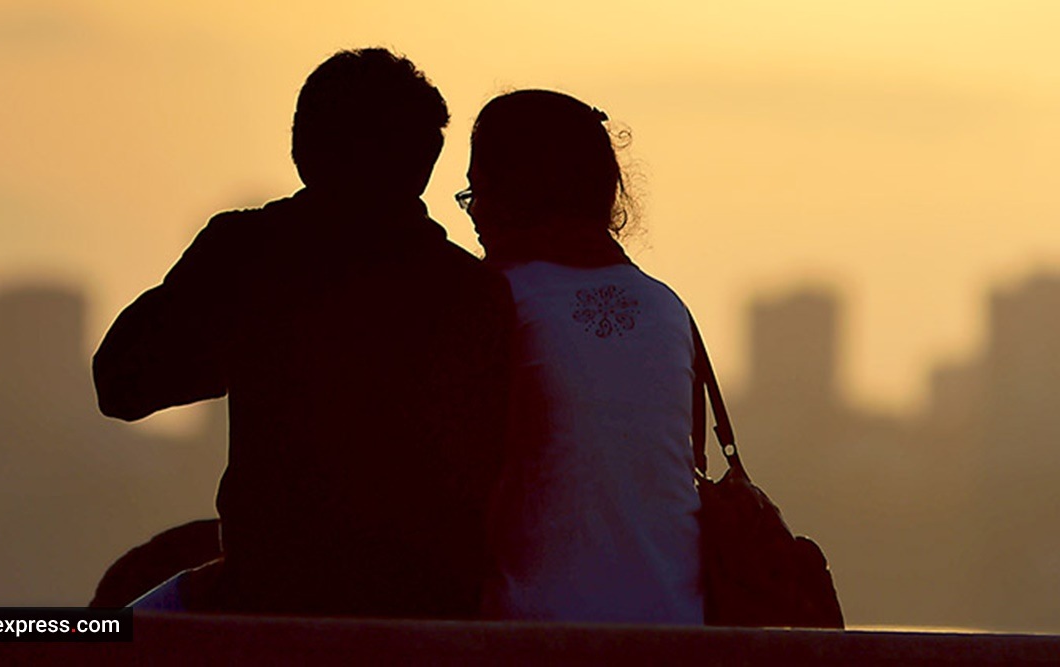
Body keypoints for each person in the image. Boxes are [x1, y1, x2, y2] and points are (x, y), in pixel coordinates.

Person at [92, 48, 515, 618]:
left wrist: (243, 341)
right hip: (433, 606)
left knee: (95, 636)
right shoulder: (474, 290)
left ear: (301, 149)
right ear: (427, 162)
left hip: (272, 596)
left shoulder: (249, 253)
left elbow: (121, 384)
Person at [461, 90, 703, 624]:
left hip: (537, 631)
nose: (474, 211)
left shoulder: (496, 300)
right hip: (674, 627)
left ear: (514, 193)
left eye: (479, 191)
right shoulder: (665, 306)